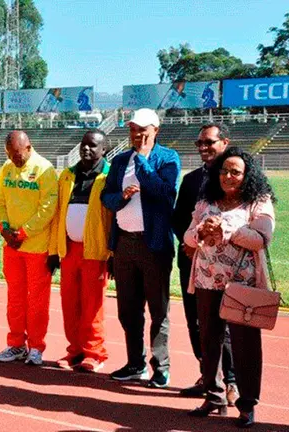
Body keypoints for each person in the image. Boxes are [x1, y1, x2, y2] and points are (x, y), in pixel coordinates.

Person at [184, 147, 275, 429]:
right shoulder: (206, 199)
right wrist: (200, 229)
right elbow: (188, 238)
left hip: (242, 286)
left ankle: (247, 406)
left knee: (245, 345)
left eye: (235, 171)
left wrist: (226, 229)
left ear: (247, 175)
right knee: (209, 341)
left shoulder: (258, 201)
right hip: (206, 281)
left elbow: (262, 238)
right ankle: (213, 396)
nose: (228, 176)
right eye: (224, 170)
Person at [101, 108, 181, 388]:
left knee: (158, 310)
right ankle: (135, 363)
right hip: (124, 243)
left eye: (143, 130)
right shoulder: (121, 160)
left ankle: (161, 367)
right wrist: (121, 198)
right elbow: (106, 198)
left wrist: (145, 160)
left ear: (156, 131)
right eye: (134, 130)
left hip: (154, 245)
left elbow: (163, 192)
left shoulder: (168, 158)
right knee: (128, 309)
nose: (137, 135)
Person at [173, 123, 238, 403]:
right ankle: (208, 377)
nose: (203, 148)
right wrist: (189, 245)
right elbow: (178, 219)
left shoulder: (239, 178)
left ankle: (232, 381)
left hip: (226, 266)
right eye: (199, 144)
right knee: (196, 323)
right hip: (192, 263)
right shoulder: (190, 180)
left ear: (224, 142)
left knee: (224, 325)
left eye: (209, 142)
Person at [48, 130, 112, 372]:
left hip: (94, 250)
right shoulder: (67, 175)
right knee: (70, 302)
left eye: (93, 146)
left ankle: (94, 353)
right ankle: (74, 350)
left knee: (92, 303)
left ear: (104, 149)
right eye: (83, 144)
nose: (86, 149)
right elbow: (57, 215)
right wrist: (54, 250)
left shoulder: (109, 176)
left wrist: (112, 253)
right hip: (69, 249)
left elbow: (113, 217)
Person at [0, 131, 58, 365]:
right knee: (15, 299)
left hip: (36, 247)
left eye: (18, 155)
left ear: (29, 148)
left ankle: (36, 347)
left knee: (37, 301)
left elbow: (48, 208)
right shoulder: (6, 169)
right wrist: (5, 229)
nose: (14, 159)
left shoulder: (45, 169)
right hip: (11, 247)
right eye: (10, 155)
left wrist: (23, 232)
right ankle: (16, 344)